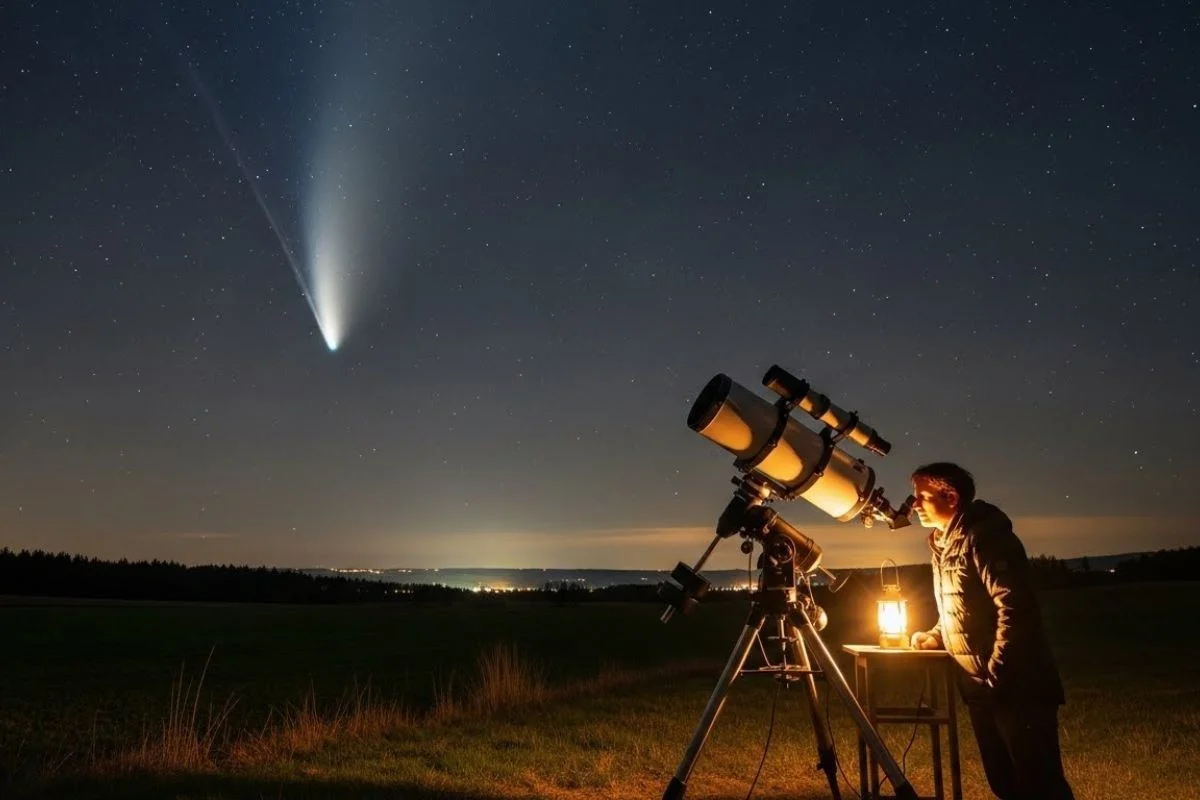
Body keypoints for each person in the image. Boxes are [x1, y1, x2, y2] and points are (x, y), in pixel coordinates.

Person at [908, 462, 1074, 800]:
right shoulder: (944, 544)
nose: (914, 505)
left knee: (1039, 783)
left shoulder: (985, 535)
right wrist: (937, 635)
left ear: (950, 497)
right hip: (980, 687)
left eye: (923, 497)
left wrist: (998, 667)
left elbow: (1015, 607)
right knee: (1005, 782)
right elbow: (962, 606)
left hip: (1016, 684)